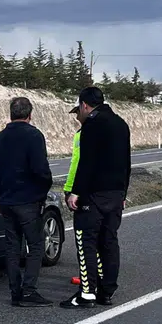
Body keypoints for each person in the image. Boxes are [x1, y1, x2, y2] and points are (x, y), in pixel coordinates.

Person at [60, 86, 130, 309]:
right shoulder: (121, 124)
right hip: (116, 194)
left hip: (94, 194)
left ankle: (87, 293)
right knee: (109, 241)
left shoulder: (92, 124)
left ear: (84, 105)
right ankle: (106, 291)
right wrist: (123, 193)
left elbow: (86, 162)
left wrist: (76, 192)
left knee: (86, 241)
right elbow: (126, 163)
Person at [0, 97, 54, 307]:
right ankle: (29, 290)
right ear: (29, 114)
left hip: (6, 201)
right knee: (35, 244)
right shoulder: (34, 136)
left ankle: (15, 291)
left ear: (11, 114)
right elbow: (40, 169)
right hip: (28, 200)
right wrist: (43, 190)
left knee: (12, 246)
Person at [63, 97, 105, 289]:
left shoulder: (83, 135)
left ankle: (89, 280)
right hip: (95, 190)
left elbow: (78, 164)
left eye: (78, 113)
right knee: (95, 238)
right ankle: (97, 277)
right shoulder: (91, 132)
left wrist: (71, 189)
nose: (77, 118)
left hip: (80, 189)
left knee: (85, 238)